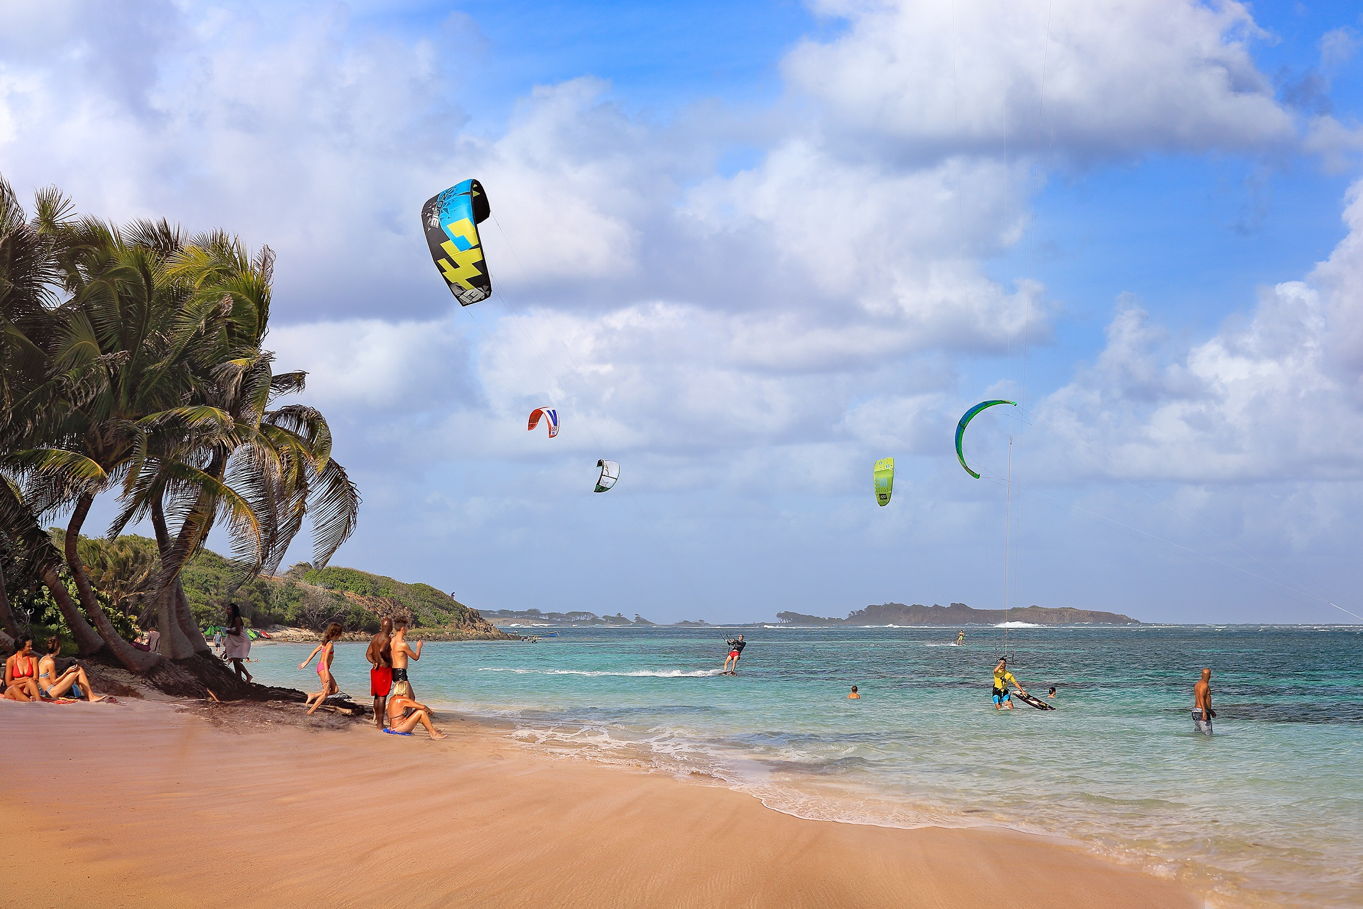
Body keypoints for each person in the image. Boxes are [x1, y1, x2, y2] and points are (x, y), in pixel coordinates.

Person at [37, 637, 105, 701]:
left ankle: (88, 695)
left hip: (48, 691)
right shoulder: (50, 662)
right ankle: (91, 696)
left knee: (77, 670)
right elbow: (54, 682)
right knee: (79, 670)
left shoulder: (43, 659)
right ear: (58, 648)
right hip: (52, 692)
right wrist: (67, 672)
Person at [299, 622, 343, 715]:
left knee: (335, 690)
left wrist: (306, 662)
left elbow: (315, 651)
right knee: (326, 692)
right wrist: (327, 675)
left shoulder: (325, 642)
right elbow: (325, 660)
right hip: (323, 668)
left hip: (321, 667)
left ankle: (313, 695)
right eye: (340, 633)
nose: (341, 635)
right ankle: (310, 712)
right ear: (336, 633)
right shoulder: (330, 644)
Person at [366, 618, 393, 730]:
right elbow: (382, 650)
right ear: (390, 627)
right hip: (384, 669)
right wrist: (389, 660)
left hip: (375, 669)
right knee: (382, 697)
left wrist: (374, 662)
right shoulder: (387, 638)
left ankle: (378, 722)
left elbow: (368, 654)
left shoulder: (375, 637)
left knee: (377, 696)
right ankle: (380, 724)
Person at [390, 617, 422, 701]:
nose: (407, 629)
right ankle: (397, 709)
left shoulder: (391, 640)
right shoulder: (403, 644)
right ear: (402, 629)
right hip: (400, 673)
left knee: (411, 697)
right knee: (406, 700)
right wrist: (419, 647)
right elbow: (415, 657)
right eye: (407, 627)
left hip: (394, 671)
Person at [222, 603, 253, 683]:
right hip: (236, 642)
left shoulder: (237, 618)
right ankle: (239, 679)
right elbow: (231, 636)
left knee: (236, 661)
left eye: (229, 609)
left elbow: (238, 633)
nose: (227, 610)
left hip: (242, 642)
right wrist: (226, 650)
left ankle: (248, 676)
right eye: (227, 609)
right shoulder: (230, 620)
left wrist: (228, 631)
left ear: (234, 610)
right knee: (236, 662)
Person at [1192, 668, 1215, 735]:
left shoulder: (1198, 684)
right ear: (1209, 676)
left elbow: (1203, 699)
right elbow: (1201, 697)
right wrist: (1204, 712)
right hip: (1201, 711)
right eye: (1208, 675)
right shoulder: (1204, 685)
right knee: (1207, 735)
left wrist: (1210, 710)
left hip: (1196, 711)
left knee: (1198, 735)